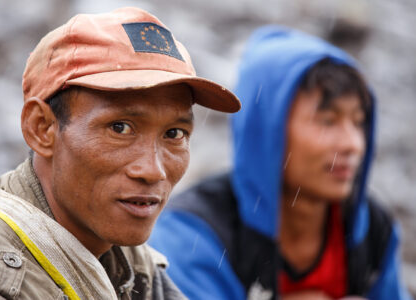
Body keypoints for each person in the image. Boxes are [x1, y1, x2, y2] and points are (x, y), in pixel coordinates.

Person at [0, 7, 240, 300]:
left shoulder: (129, 263)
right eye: (120, 128)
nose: (153, 170)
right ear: (42, 128)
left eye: (174, 134)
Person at [149, 25, 412, 300]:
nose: (352, 144)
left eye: (358, 122)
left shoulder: (370, 228)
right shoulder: (193, 235)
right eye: (328, 121)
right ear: (267, 129)